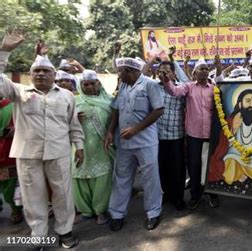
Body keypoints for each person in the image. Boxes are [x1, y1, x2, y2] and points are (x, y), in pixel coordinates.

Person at [0, 31, 84, 249]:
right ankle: (38, 236)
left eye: (46, 71)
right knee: (32, 197)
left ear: (54, 74)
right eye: (36, 71)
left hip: (59, 151)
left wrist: (80, 146)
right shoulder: (18, 92)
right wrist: (5, 51)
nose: (41, 74)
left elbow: (73, 124)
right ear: (31, 74)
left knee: (63, 194)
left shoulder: (66, 95)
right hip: (28, 154)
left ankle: (65, 231)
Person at [105, 57, 164, 232]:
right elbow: (116, 109)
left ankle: (153, 212)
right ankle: (117, 214)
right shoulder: (123, 86)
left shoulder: (150, 85)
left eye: (120, 71)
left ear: (129, 71)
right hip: (124, 142)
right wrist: (110, 130)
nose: (118, 75)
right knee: (121, 177)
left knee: (150, 178)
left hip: (145, 142)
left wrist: (136, 129)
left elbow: (158, 110)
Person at [162, 57, 219, 210]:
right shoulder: (188, 87)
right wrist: (166, 80)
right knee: (194, 166)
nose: (205, 71)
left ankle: (212, 194)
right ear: (195, 73)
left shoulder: (214, 89)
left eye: (207, 68)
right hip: (193, 136)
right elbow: (174, 91)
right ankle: (195, 195)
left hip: (210, 135)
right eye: (201, 68)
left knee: (211, 166)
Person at [72, 70, 114, 225]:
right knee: (80, 176)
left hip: (102, 145)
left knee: (102, 177)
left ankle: (101, 210)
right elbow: (62, 121)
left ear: (98, 83)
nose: (89, 87)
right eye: (85, 84)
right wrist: (73, 119)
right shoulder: (74, 101)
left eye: (92, 83)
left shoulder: (109, 100)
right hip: (80, 146)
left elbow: (115, 121)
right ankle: (85, 211)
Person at [154, 61, 187, 211]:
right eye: (161, 71)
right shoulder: (153, 87)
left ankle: (178, 197)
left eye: (167, 71)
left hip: (177, 134)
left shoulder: (181, 88)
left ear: (174, 73)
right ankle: (166, 194)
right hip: (157, 135)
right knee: (162, 167)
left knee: (178, 168)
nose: (163, 74)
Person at [0, 96, 23, 224]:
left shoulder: (13, 106)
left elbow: (23, 123)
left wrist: (16, 129)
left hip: (8, 152)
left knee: (10, 187)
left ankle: (16, 209)